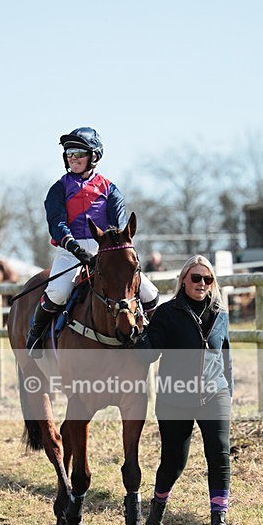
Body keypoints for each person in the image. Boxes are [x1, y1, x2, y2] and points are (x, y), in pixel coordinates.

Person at [25, 126, 159, 356]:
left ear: (94, 156)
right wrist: (75, 247)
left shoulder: (110, 189)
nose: (73, 158)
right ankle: (35, 337)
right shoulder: (58, 189)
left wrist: (109, 249)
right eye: (69, 154)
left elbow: (118, 226)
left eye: (79, 153)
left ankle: (149, 337)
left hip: (107, 251)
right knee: (57, 292)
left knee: (151, 294)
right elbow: (57, 223)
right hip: (70, 252)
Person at [136, 255, 237, 525]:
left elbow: (225, 356)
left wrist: (228, 390)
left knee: (219, 455)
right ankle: (157, 511)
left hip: (214, 394)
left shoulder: (221, 314)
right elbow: (150, 353)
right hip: (175, 397)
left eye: (207, 279)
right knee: (173, 462)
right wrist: (139, 337)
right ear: (183, 280)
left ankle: (219, 521)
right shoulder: (167, 313)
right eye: (195, 278)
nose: (202, 284)